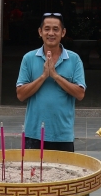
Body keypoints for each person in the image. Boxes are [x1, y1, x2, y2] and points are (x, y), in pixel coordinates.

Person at [16, 12, 85, 152]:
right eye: (47, 29)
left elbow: (80, 94)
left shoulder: (74, 59)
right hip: (33, 133)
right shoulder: (28, 58)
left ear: (63, 32)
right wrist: (43, 77)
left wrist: (55, 75)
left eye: (56, 29)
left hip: (62, 135)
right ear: (40, 32)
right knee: (33, 174)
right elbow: (20, 95)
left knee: (64, 173)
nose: (51, 33)